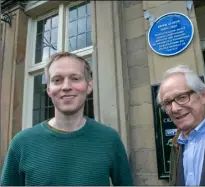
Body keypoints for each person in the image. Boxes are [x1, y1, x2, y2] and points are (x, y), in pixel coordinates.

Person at [1, 52, 133, 186]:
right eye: (57, 80)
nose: (66, 87)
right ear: (48, 89)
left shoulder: (110, 140)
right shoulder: (22, 144)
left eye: (75, 78)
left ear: (88, 86)